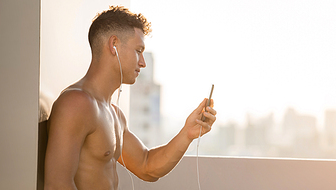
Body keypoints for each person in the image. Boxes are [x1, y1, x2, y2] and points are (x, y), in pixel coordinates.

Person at [44, 6, 216, 190]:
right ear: (114, 45)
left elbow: (146, 166)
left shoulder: (114, 113)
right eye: (138, 50)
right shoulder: (76, 104)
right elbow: (57, 185)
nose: (142, 62)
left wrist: (187, 133)